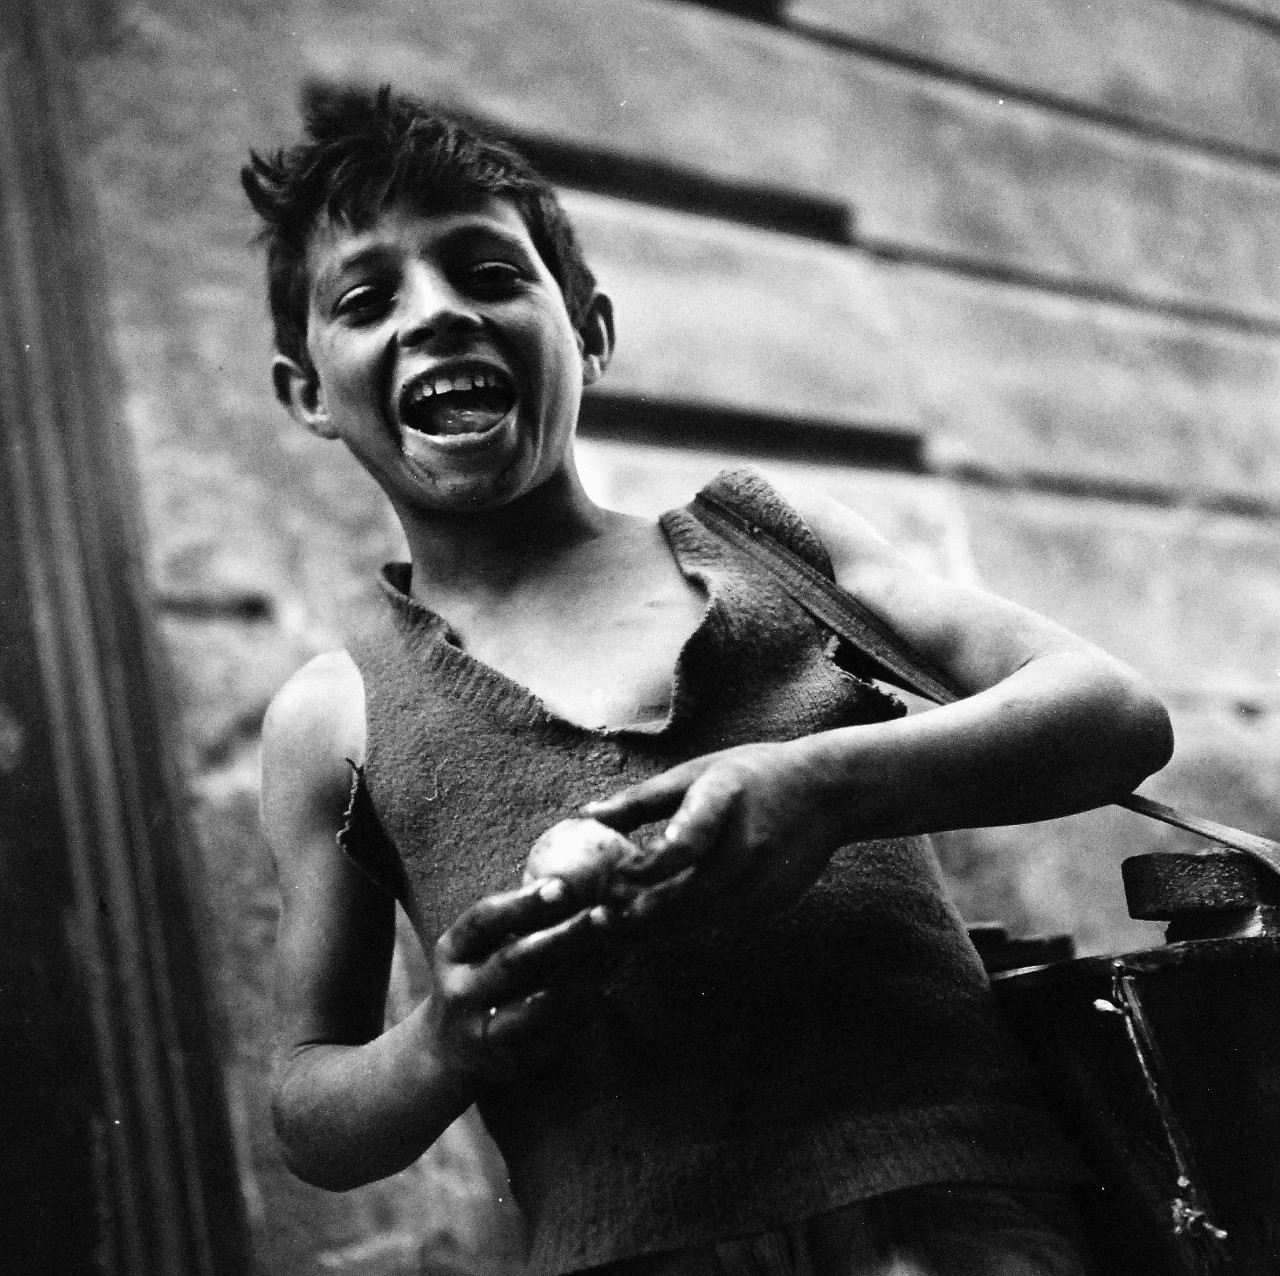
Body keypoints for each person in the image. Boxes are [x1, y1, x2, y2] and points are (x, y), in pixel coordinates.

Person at [246, 85, 1173, 1276]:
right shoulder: (334, 713)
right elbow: (309, 1106)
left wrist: (823, 785)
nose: (436, 315)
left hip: (963, 1216)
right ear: (307, 393)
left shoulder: (771, 544)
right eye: (368, 298)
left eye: (487, 273)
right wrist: (444, 1039)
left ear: (587, 330)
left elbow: (1113, 714)